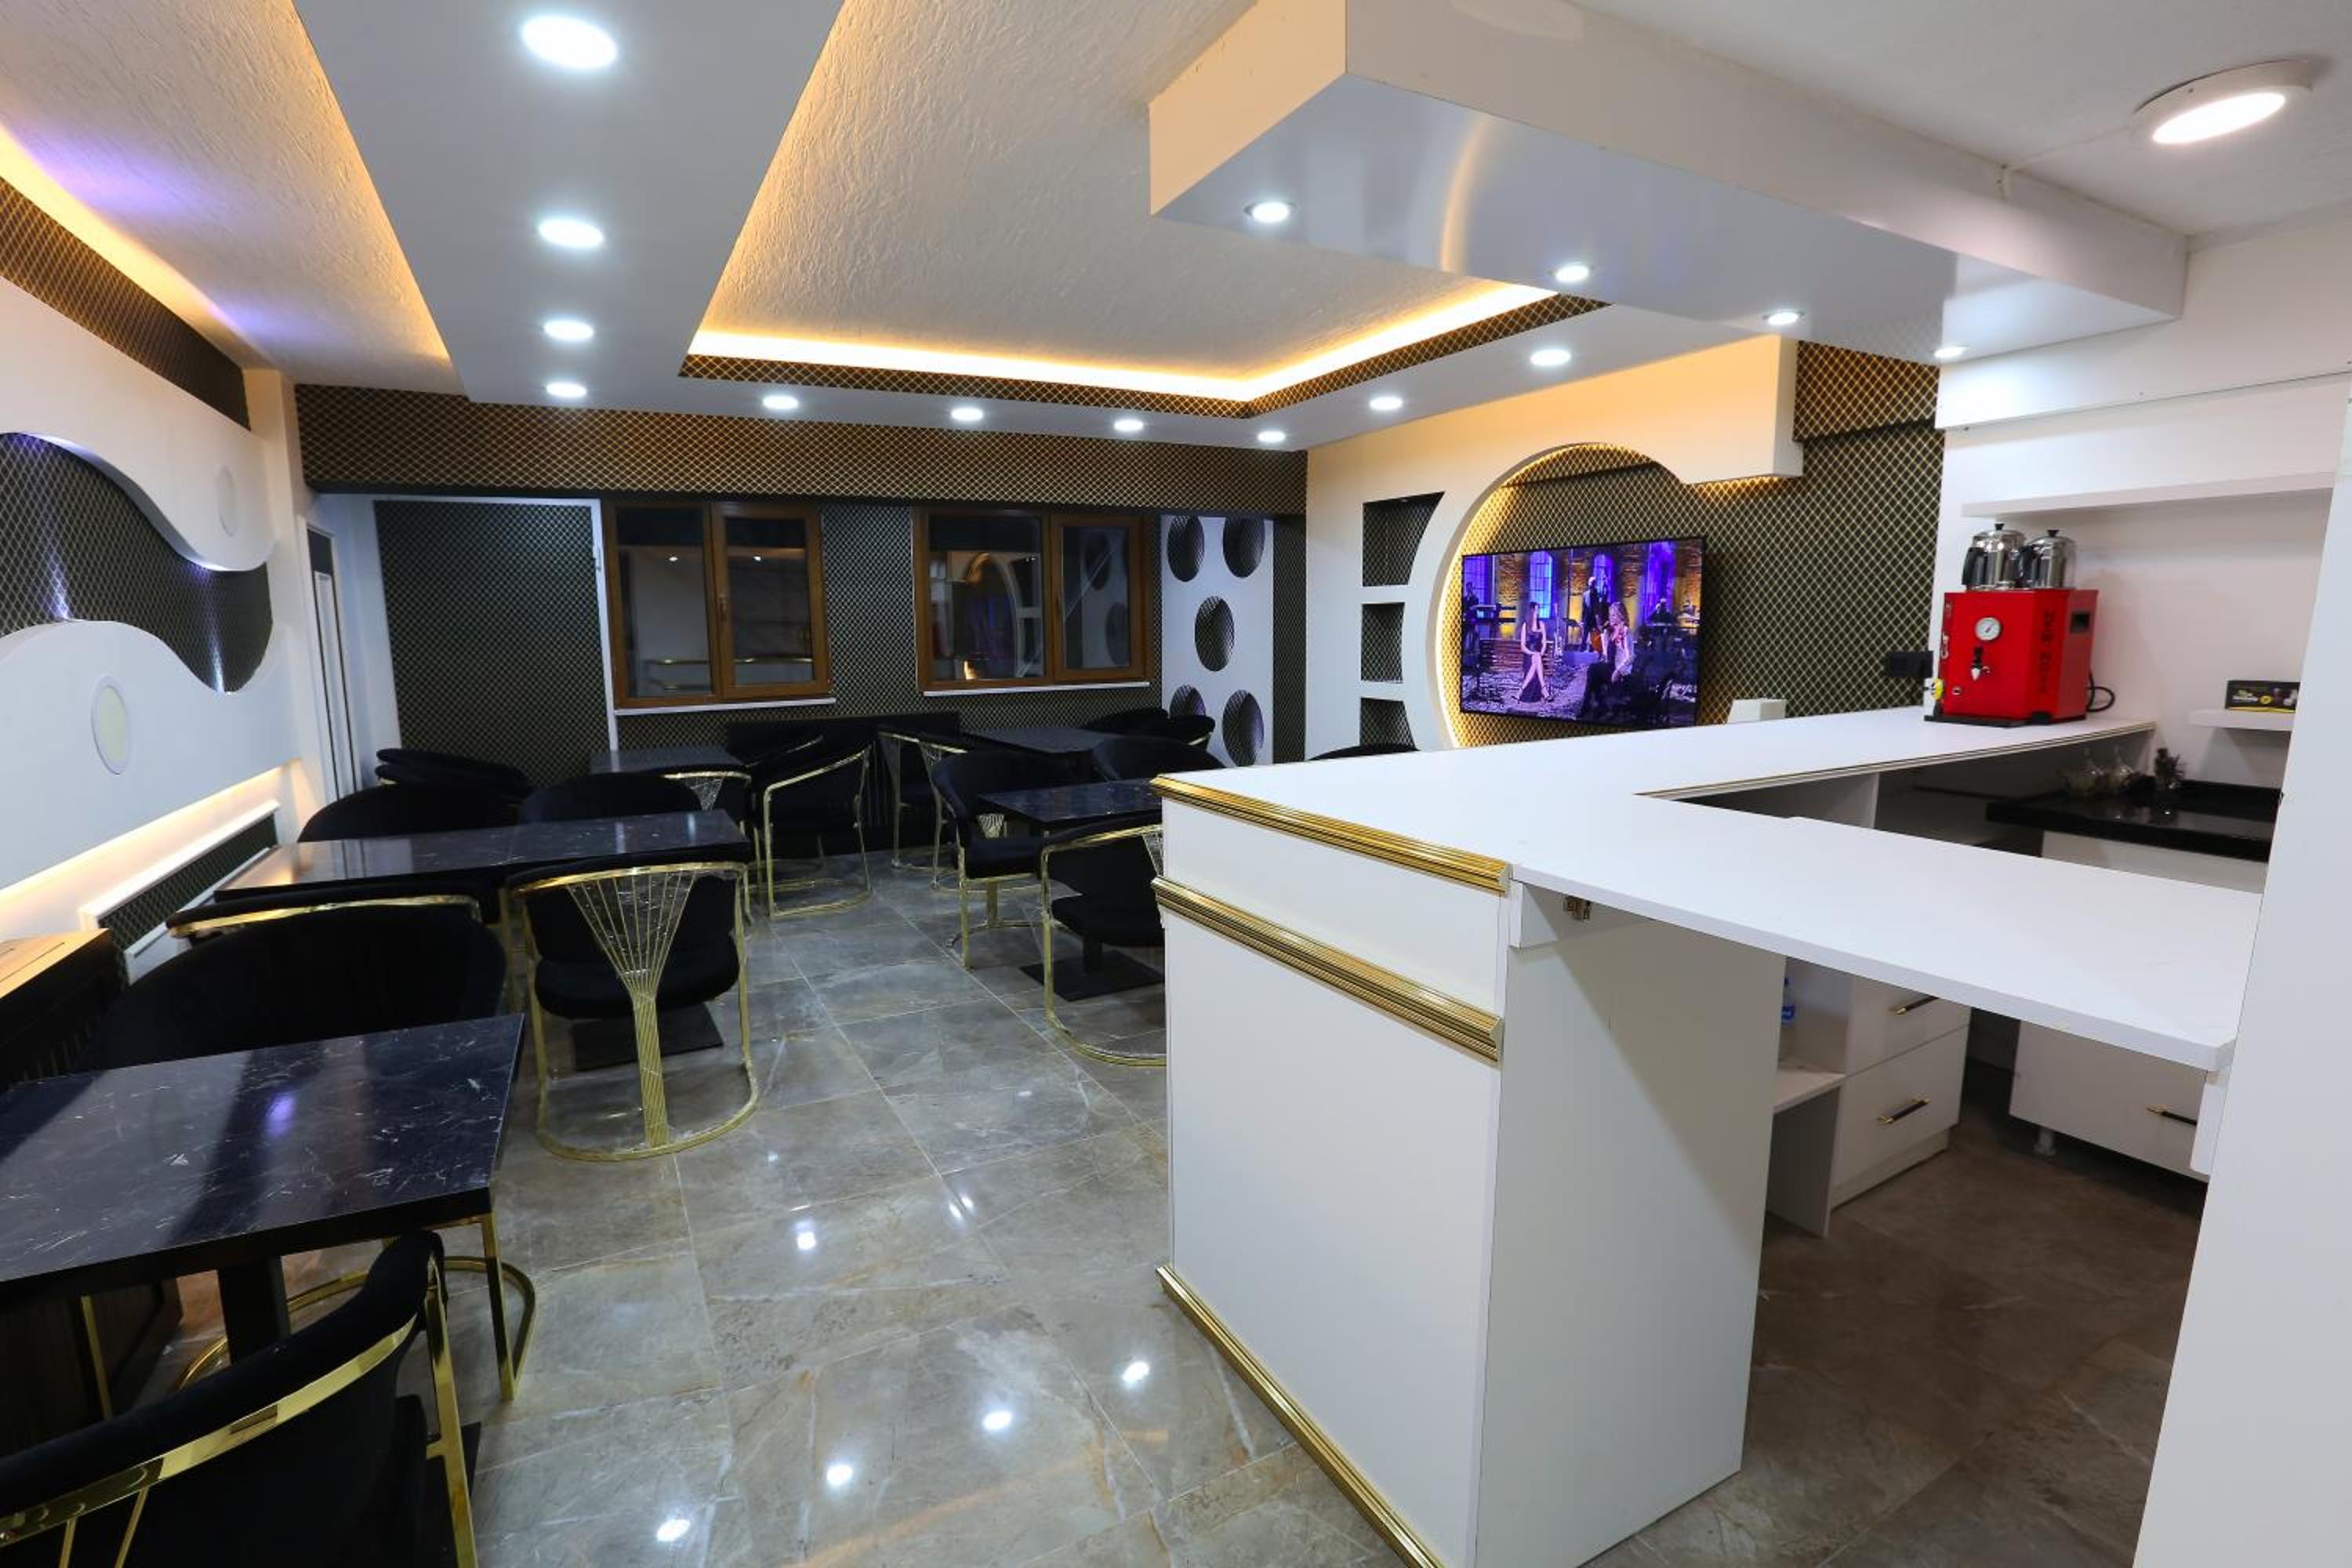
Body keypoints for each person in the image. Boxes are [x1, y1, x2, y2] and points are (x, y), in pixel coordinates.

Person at [1517, 610, 1550, 705]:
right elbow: (1523, 646)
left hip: (1539, 654)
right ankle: (1544, 689)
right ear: (1531, 612)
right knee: (1536, 659)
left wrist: (1541, 653)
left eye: (1538, 610)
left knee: (1537, 658)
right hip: (1528, 655)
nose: (1538, 612)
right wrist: (1532, 653)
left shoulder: (1541, 624)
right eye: (1536, 610)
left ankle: (1520, 691)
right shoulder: (1525, 626)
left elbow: (1544, 643)